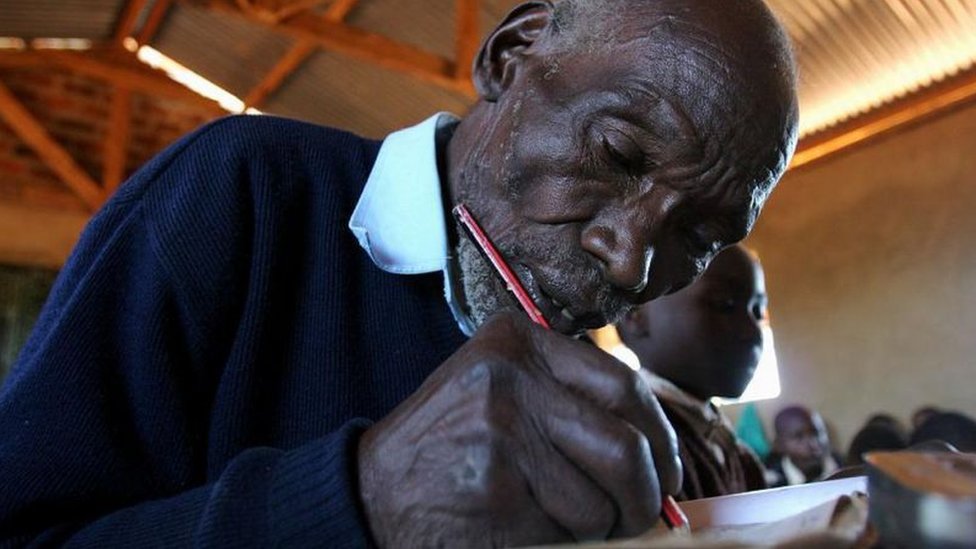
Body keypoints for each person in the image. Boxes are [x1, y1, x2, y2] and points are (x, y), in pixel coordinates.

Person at [0, 0, 798, 546]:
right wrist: (363, 499)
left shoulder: (579, 366)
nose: (631, 261)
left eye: (700, 233)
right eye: (618, 153)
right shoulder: (243, 192)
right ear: (510, 55)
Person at [616, 245, 769, 501]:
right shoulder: (631, 443)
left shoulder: (740, 458)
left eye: (757, 311)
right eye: (725, 304)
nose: (752, 332)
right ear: (635, 314)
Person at [765, 405, 841, 487]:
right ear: (779, 445)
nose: (813, 444)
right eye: (799, 437)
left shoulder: (840, 466)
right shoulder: (772, 483)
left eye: (814, 433)